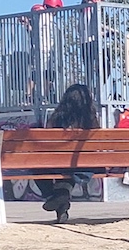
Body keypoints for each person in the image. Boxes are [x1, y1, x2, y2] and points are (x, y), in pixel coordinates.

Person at [38, 82, 98, 224]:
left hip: (60, 163)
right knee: (71, 166)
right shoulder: (91, 119)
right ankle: (61, 197)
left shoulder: (57, 118)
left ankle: (55, 196)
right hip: (85, 164)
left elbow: (47, 143)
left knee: (36, 167)